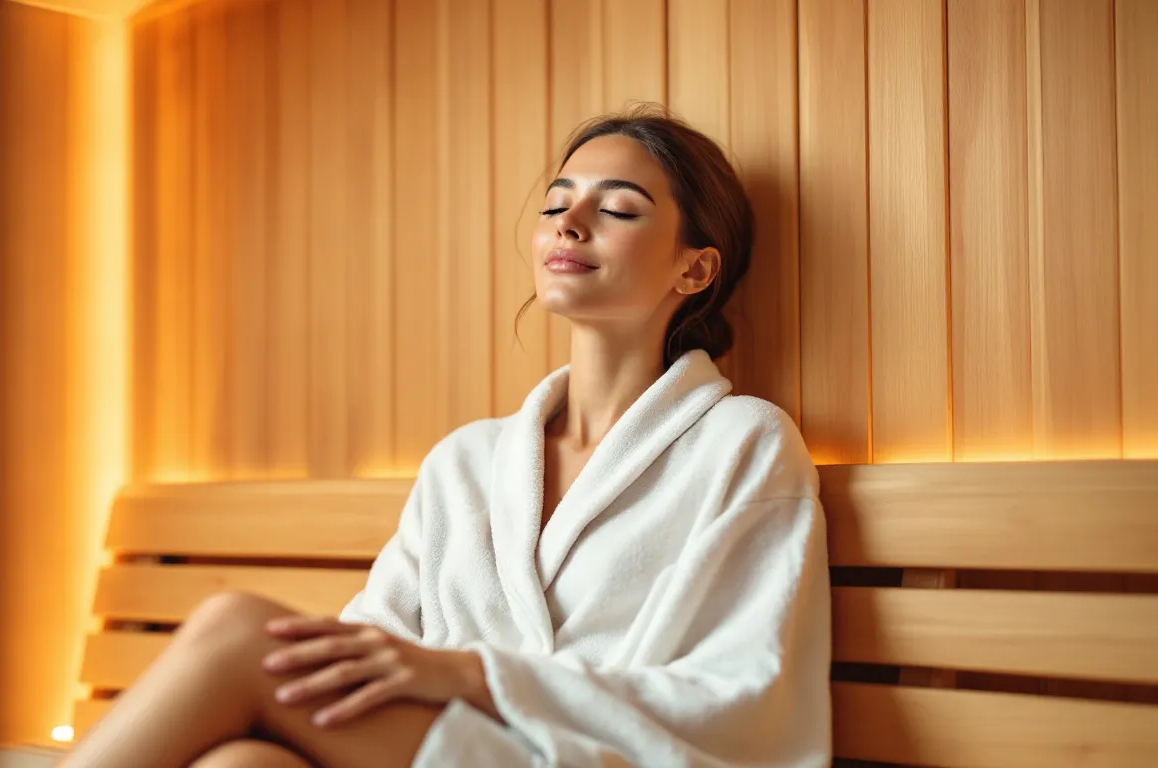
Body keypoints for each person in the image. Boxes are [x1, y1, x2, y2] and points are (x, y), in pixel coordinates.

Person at [61, 107, 831, 768]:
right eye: (557, 203)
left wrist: (474, 676)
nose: (569, 222)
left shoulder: (743, 444)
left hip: (595, 753)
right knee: (245, 763)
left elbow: (744, 696)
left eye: (619, 209)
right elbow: (376, 643)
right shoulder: (470, 461)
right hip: (457, 746)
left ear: (694, 271)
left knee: (235, 631)